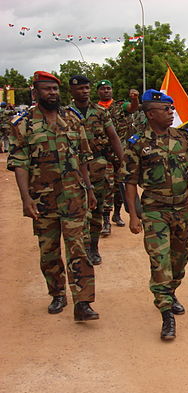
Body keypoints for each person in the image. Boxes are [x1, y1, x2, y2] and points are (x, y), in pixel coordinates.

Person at [120, 89, 188, 340]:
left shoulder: (184, 138)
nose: (172, 113)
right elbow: (129, 182)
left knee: (179, 258)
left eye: (172, 108)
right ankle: (166, 314)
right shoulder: (137, 144)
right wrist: (133, 214)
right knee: (159, 260)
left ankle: (171, 292)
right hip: (154, 210)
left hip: (182, 208)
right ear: (151, 114)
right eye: (167, 109)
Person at [7, 71, 99, 321]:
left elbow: (82, 158)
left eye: (56, 89)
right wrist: (25, 199)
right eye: (47, 89)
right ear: (35, 93)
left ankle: (83, 302)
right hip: (43, 200)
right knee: (49, 252)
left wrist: (89, 189)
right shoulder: (23, 124)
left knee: (78, 249)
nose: (53, 94)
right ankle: (57, 293)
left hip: (74, 197)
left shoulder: (72, 119)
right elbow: (20, 163)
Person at [68, 75, 124, 265]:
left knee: (97, 208)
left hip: (98, 166)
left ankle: (93, 246)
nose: (84, 91)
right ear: (72, 91)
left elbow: (114, 137)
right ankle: (79, 249)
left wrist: (123, 161)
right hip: (73, 169)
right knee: (76, 210)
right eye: (80, 88)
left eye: (86, 88)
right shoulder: (64, 113)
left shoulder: (100, 111)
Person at [96, 80, 139, 235]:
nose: (106, 91)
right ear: (98, 92)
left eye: (108, 88)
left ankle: (117, 214)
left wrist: (134, 99)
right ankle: (106, 220)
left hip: (121, 153)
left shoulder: (121, 106)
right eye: (103, 89)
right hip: (104, 154)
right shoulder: (94, 109)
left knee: (120, 186)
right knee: (107, 186)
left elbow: (133, 108)